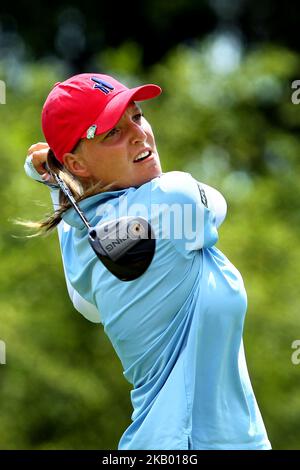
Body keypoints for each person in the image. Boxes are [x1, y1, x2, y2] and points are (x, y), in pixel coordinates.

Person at [24, 73, 271, 450]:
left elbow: (87, 307)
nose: (138, 135)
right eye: (112, 133)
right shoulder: (176, 198)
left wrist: (55, 175)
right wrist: (52, 172)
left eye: (136, 117)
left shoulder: (80, 236)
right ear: (77, 163)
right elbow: (217, 204)